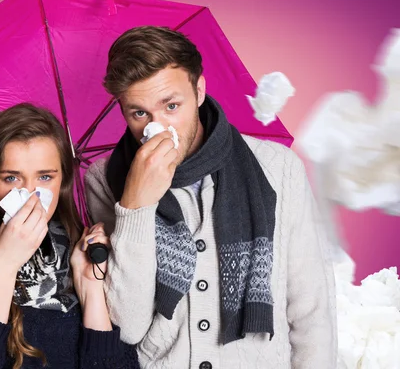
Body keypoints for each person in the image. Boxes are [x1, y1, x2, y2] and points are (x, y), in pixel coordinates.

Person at [84, 26, 337, 369]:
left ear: (199, 90)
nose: (157, 128)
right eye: (139, 113)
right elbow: (127, 326)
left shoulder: (277, 167)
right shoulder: (106, 178)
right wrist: (135, 206)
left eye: (171, 105)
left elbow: (312, 309)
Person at [0, 103, 139, 369]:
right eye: (11, 178)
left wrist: (90, 290)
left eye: (45, 177)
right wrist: (4, 264)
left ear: (62, 181)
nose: (31, 193)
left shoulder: (84, 254)